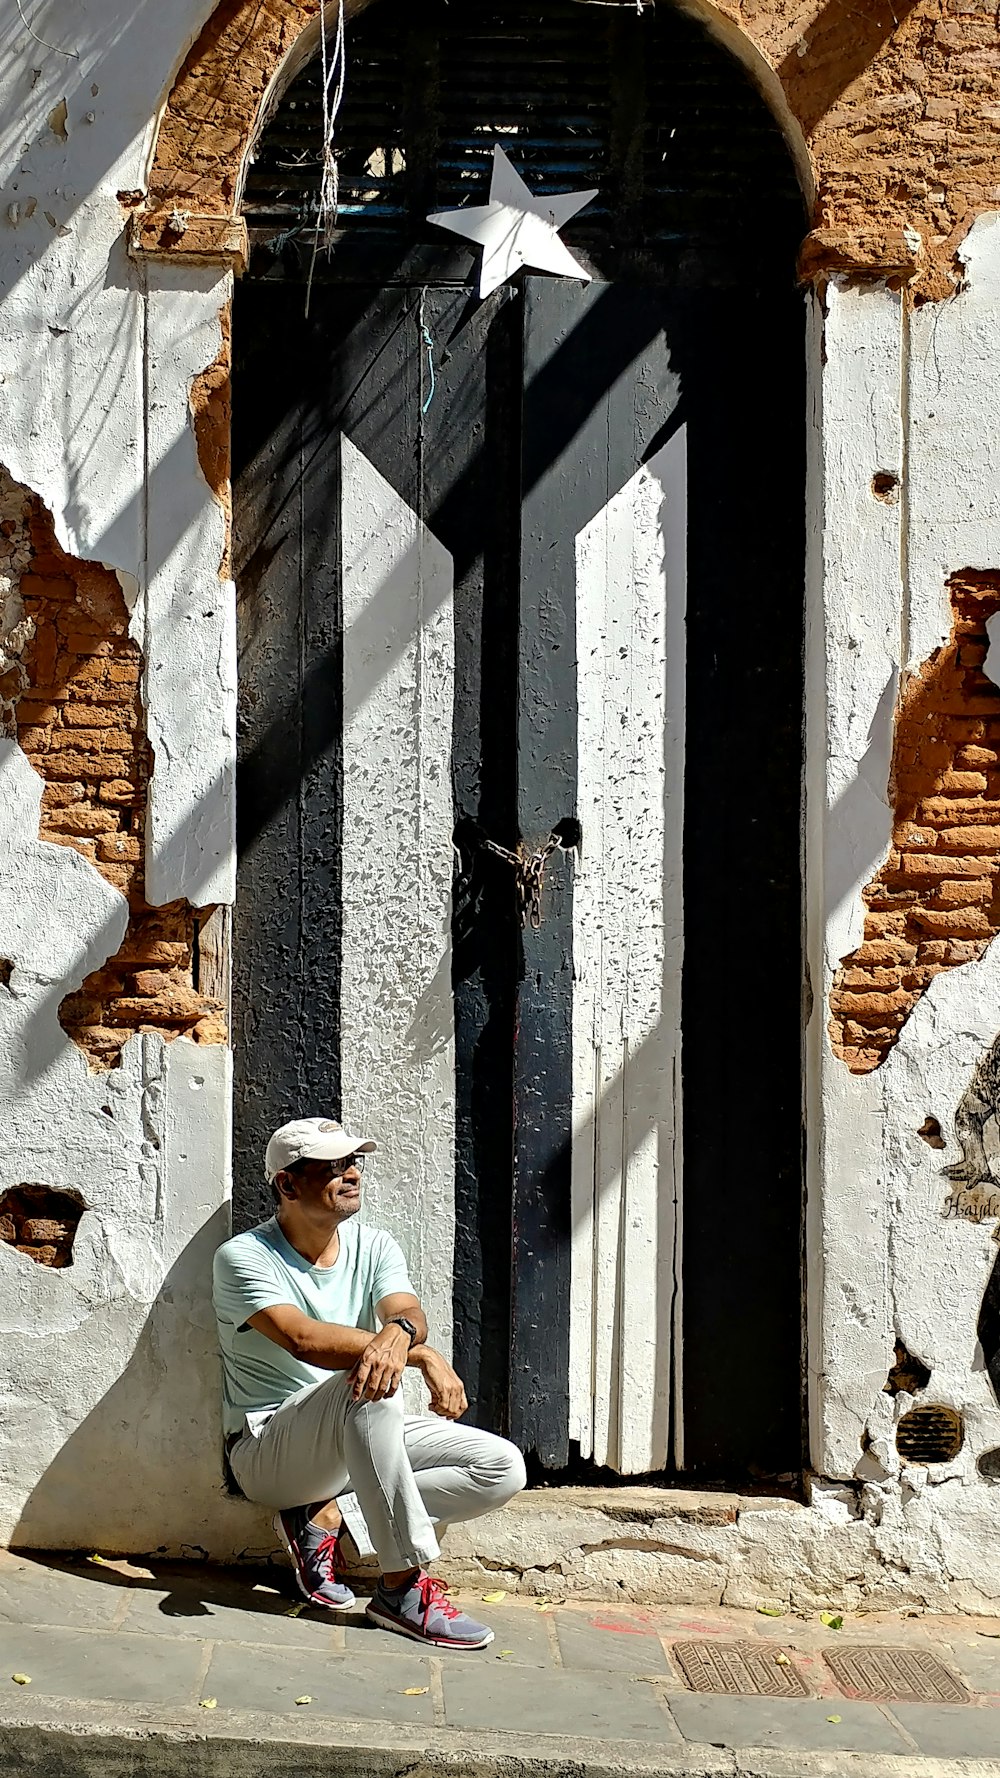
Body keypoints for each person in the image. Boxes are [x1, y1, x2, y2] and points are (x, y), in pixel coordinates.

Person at [213, 1115, 526, 1649]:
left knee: (501, 1467)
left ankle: (327, 1516)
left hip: (356, 1432)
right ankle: (401, 1589)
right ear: (287, 1183)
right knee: (371, 1384)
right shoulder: (243, 1256)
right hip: (269, 1450)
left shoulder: (374, 1245)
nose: (352, 1174)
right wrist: (417, 1353)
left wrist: (405, 1336)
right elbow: (303, 1339)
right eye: (333, 1166)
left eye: (353, 1161)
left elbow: (407, 1312)